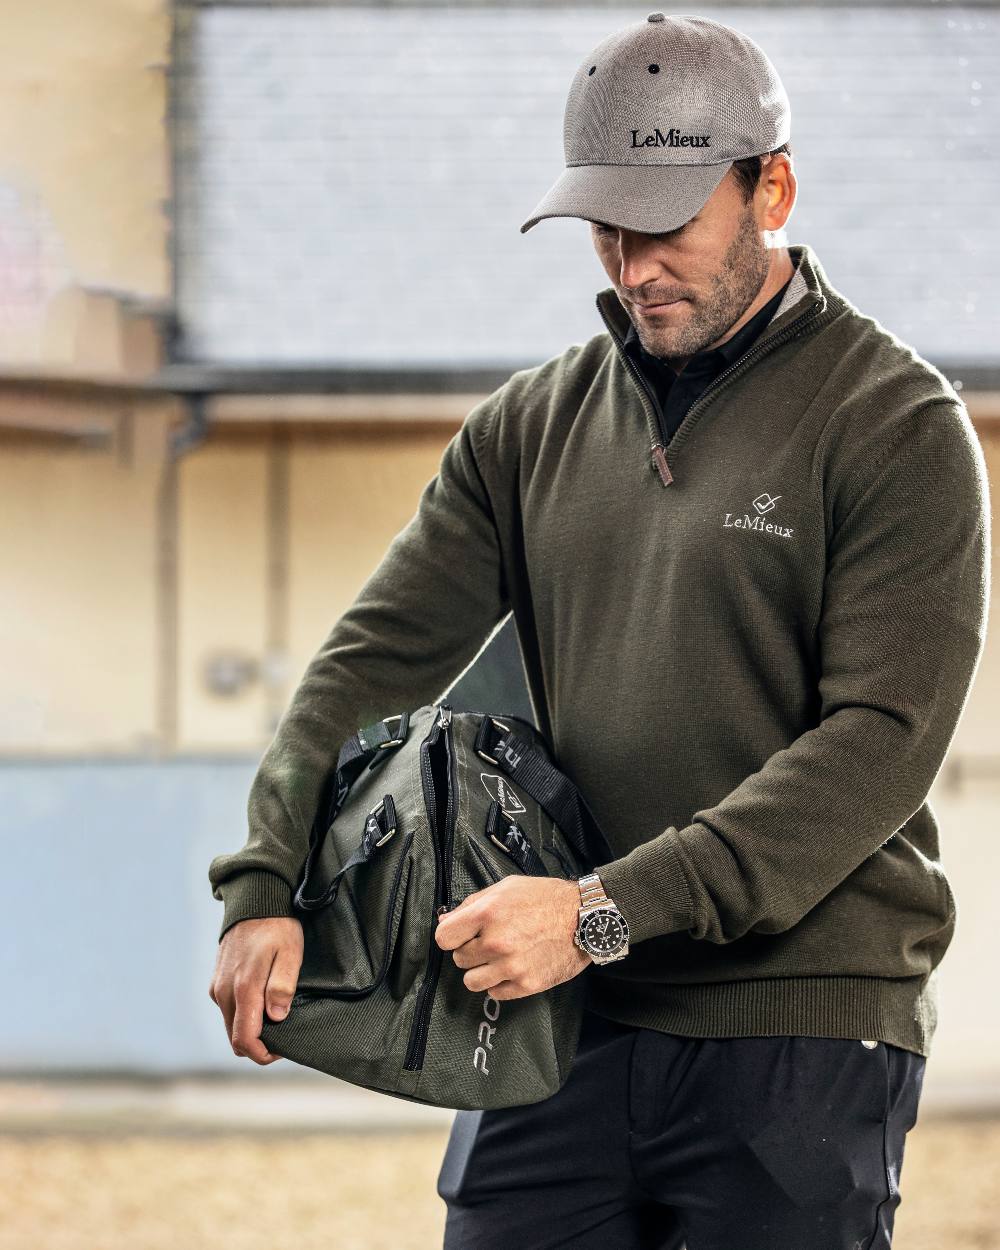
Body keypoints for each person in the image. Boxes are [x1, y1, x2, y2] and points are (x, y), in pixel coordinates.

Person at [206, 13, 991, 1249]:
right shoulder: (529, 429)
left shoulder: (894, 424)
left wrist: (595, 909)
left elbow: (876, 745)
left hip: (797, 1033)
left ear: (771, 187)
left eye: (667, 222)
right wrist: (264, 878)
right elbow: (374, 659)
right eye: (608, 228)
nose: (634, 264)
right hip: (559, 1025)